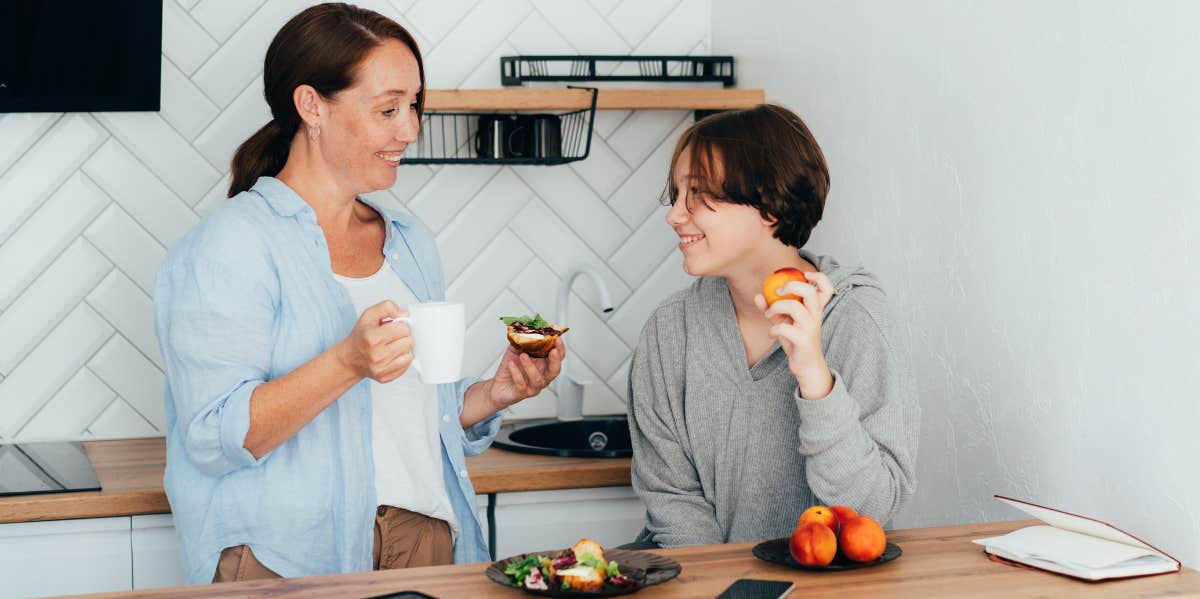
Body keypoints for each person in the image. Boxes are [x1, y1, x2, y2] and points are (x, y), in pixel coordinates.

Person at [153, 3, 563, 584]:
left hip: (423, 540)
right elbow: (213, 437)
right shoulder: (232, 245)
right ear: (311, 105)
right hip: (284, 556)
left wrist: (493, 395)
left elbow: (413, 411)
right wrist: (347, 361)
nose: (410, 129)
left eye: (415, 105)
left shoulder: (409, 242)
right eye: (387, 109)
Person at [626, 104, 919, 548]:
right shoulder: (670, 332)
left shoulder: (855, 319)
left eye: (700, 194)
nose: (675, 215)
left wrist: (815, 379)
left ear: (769, 205)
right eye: (677, 194)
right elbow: (673, 501)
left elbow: (871, 510)